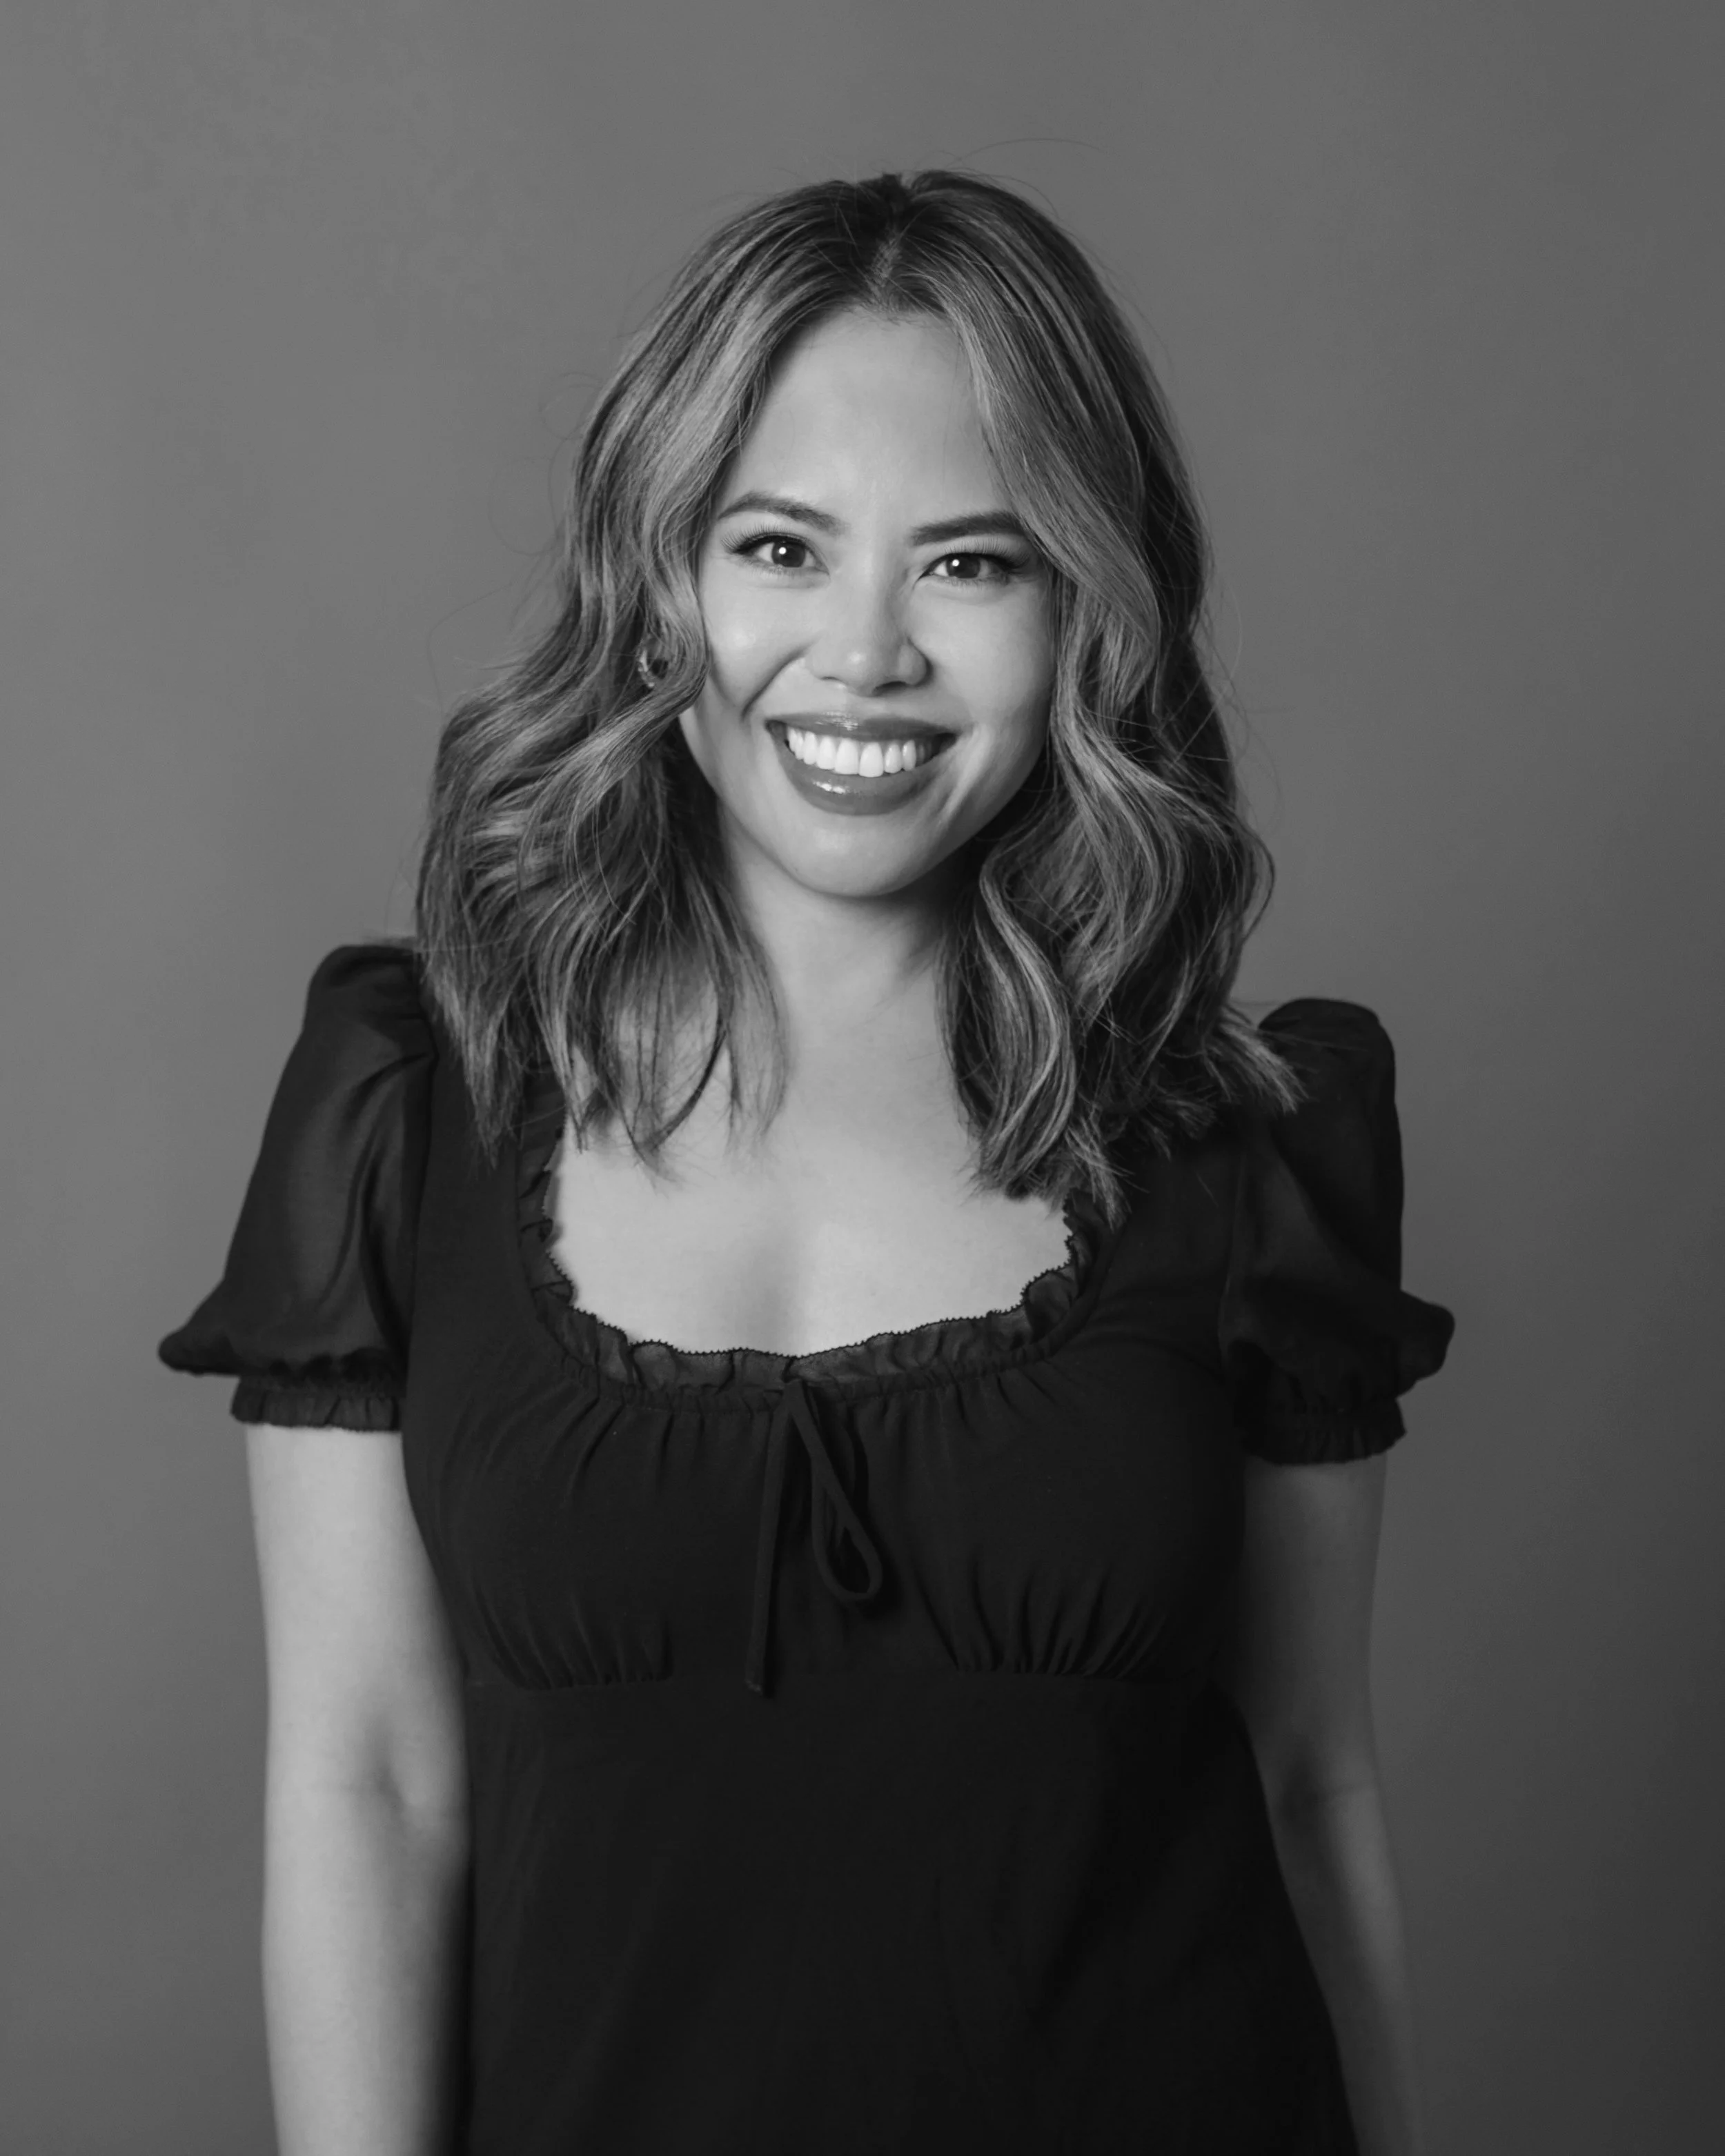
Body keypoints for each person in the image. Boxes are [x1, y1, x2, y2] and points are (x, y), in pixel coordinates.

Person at [161, 170, 1454, 2156]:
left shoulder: (1250, 1144)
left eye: (971, 563)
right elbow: (365, 1785)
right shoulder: (404, 1107)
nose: (862, 655)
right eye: (780, 544)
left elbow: (1307, 1781)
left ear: (1086, 605)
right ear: (658, 574)